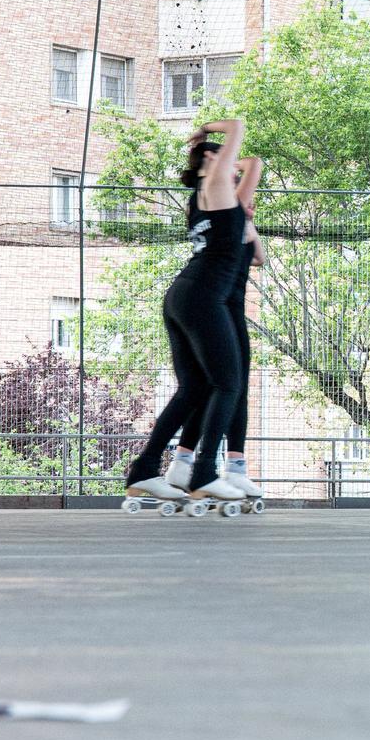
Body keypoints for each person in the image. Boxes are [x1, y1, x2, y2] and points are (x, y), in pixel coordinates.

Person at [122, 119, 254, 509]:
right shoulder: (213, 186)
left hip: (184, 296)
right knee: (227, 384)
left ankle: (144, 471)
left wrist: (208, 149)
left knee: (194, 388)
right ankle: (203, 476)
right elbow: (239, 128)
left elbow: (254, 163)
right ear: (209, 162)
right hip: (201, 298)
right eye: (223, 159)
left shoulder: (211, 197)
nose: (233, 165)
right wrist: (208, 131)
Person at [163, 153, 267, 503]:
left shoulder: (236, 218)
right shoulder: (223, 207)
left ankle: (217, 464)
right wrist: (222, 162)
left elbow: (259, 256)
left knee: (229, 387)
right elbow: (255, 163)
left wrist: (248, 222)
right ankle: (195, 462)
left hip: (231, 308)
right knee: (221, 386)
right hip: (216, 305)